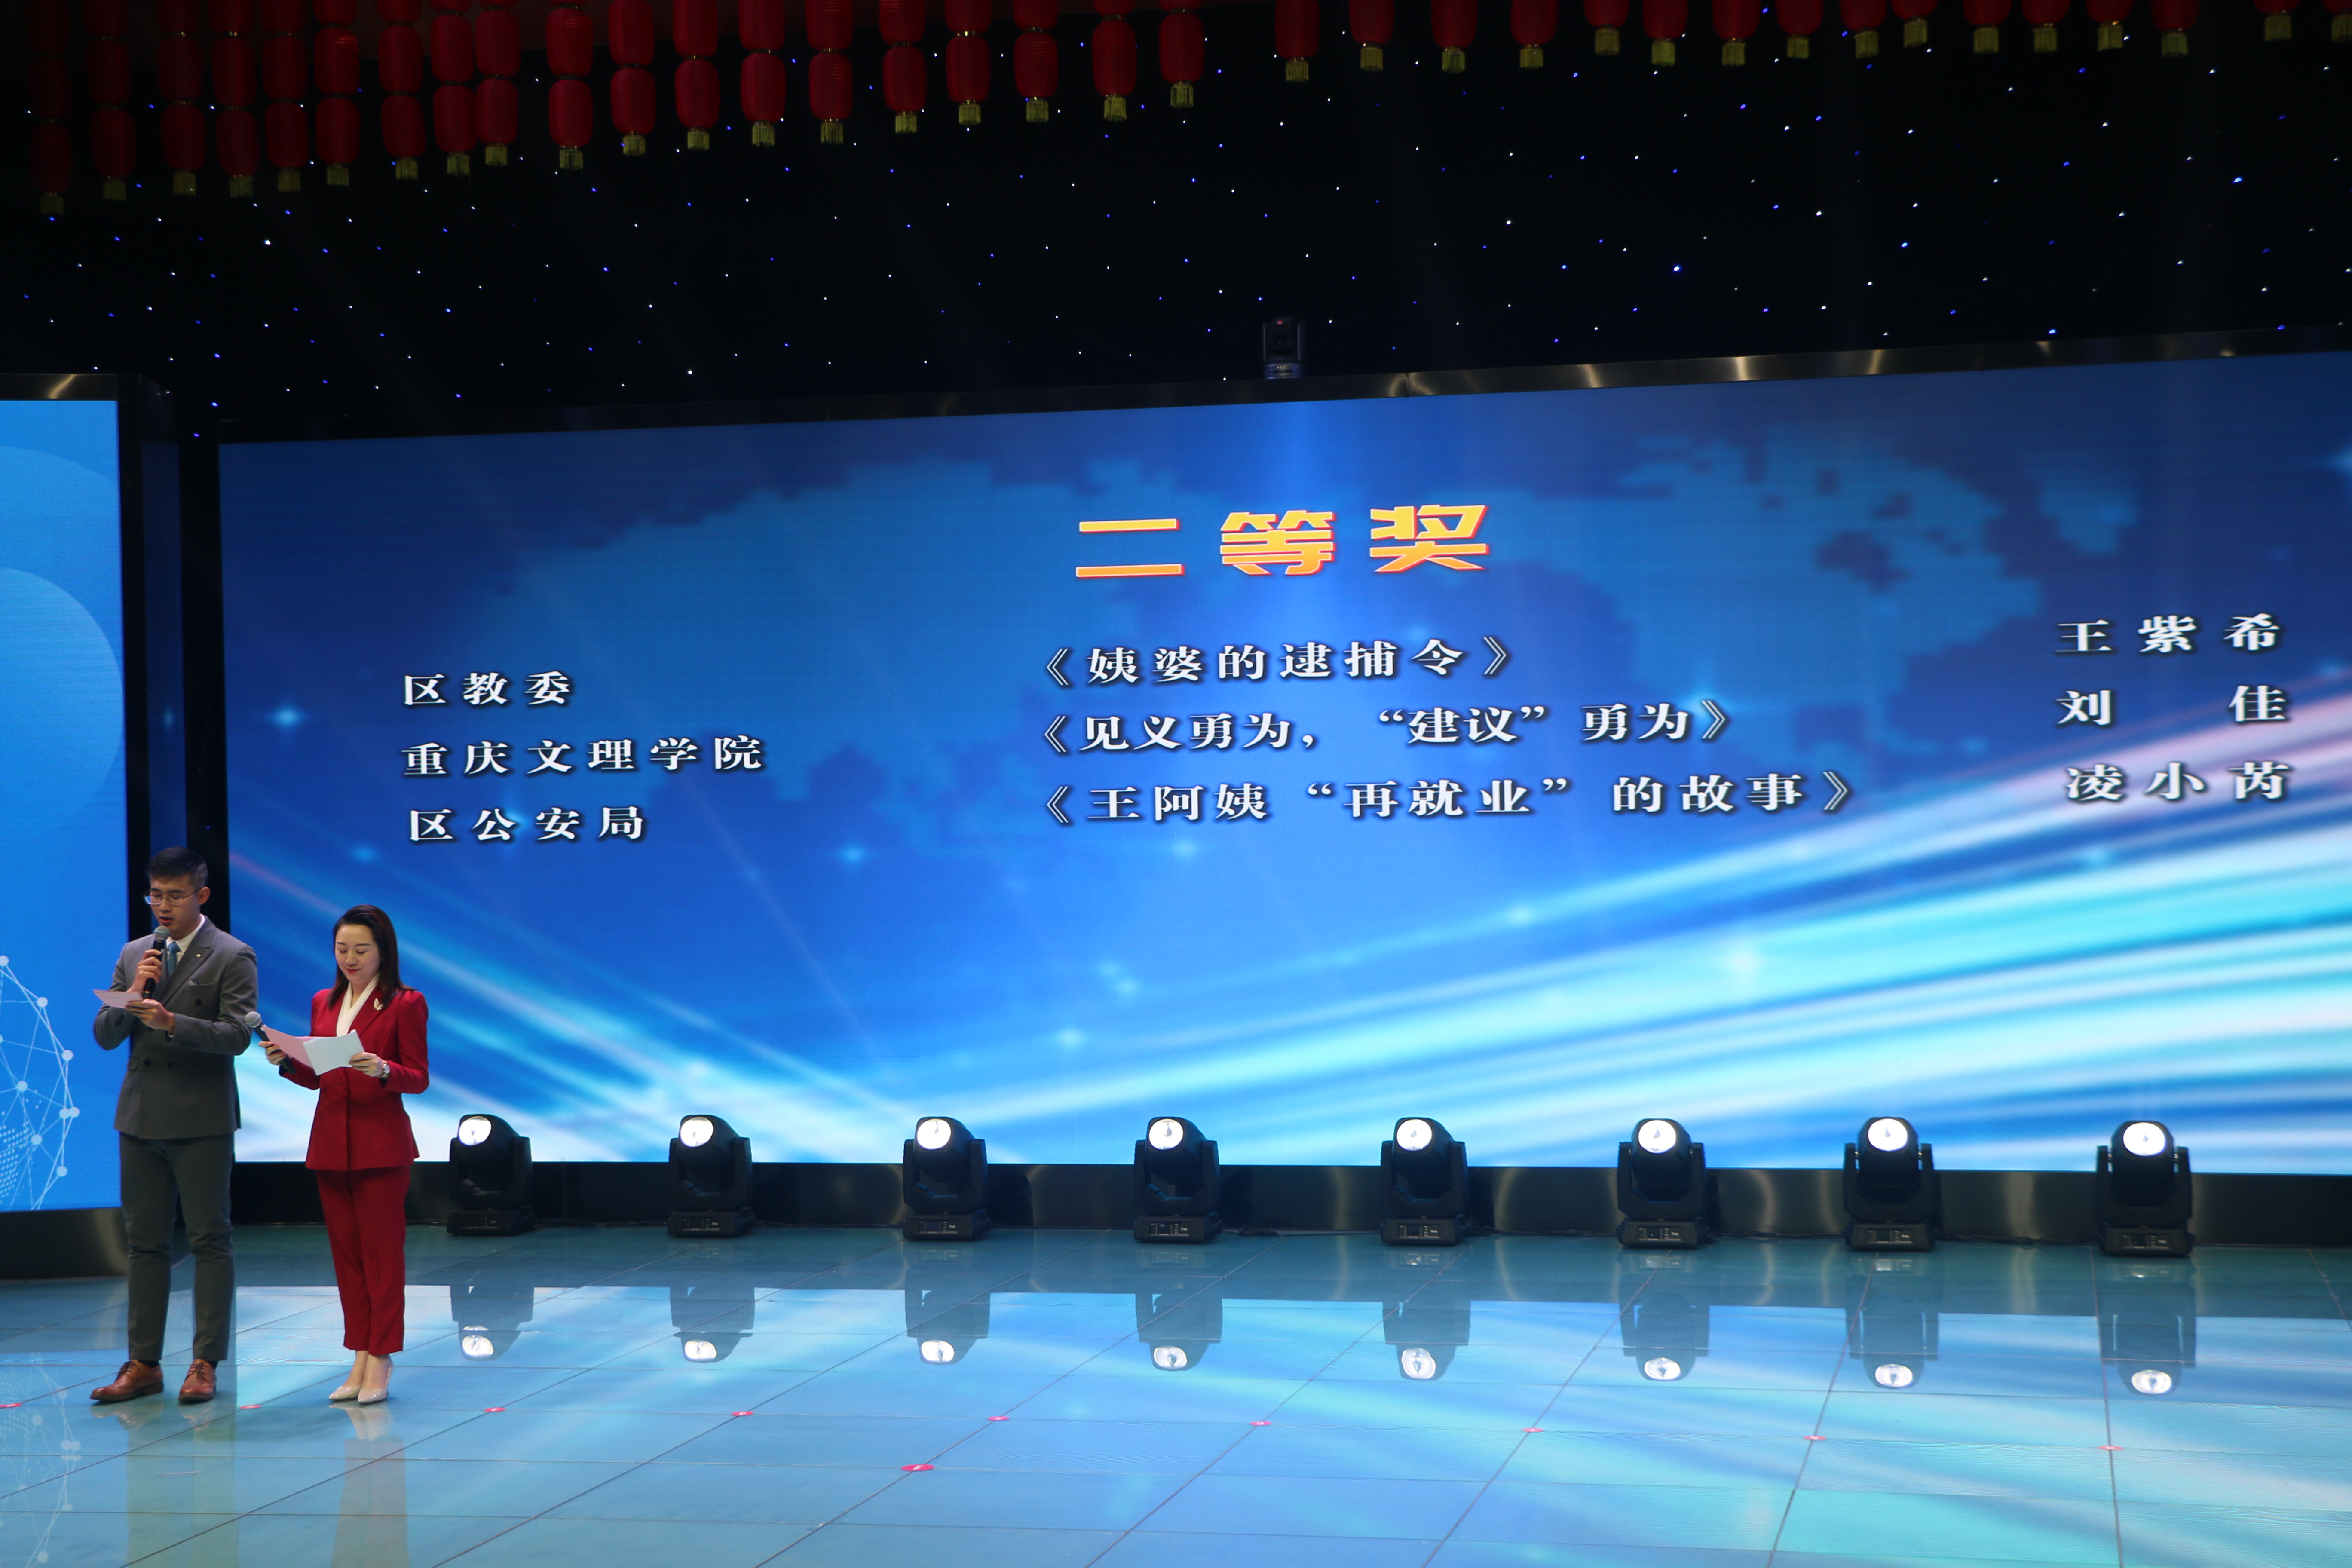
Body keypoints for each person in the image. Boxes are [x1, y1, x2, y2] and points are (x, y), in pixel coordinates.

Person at [90, 846, 260, 1406]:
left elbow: (237, 1036)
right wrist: (134, 995)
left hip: (201, 1117)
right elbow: (105, 1035)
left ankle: (205, 1362)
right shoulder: (135, 953)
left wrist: (171, 1022)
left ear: (201, 895)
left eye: (175, 895)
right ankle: (143, 1363)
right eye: (155, 895)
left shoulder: (232, 955)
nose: (163, 906)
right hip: (140, 1117)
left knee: (210, 1238)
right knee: (144, 1243)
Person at [263, 904, 429, 1404]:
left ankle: (381, 1355)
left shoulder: (405, 1003)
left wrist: (384, 1069)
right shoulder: (324, 1001)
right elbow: (318, 1076)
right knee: (347, 1256)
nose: (350, 959)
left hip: (381, 1145)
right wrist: (287, 1061)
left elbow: (418, 1077)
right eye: (342, 950)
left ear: (384, 952)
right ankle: (359, 1350)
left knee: (382, 1256)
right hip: (331, 1143)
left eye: (361, 950)